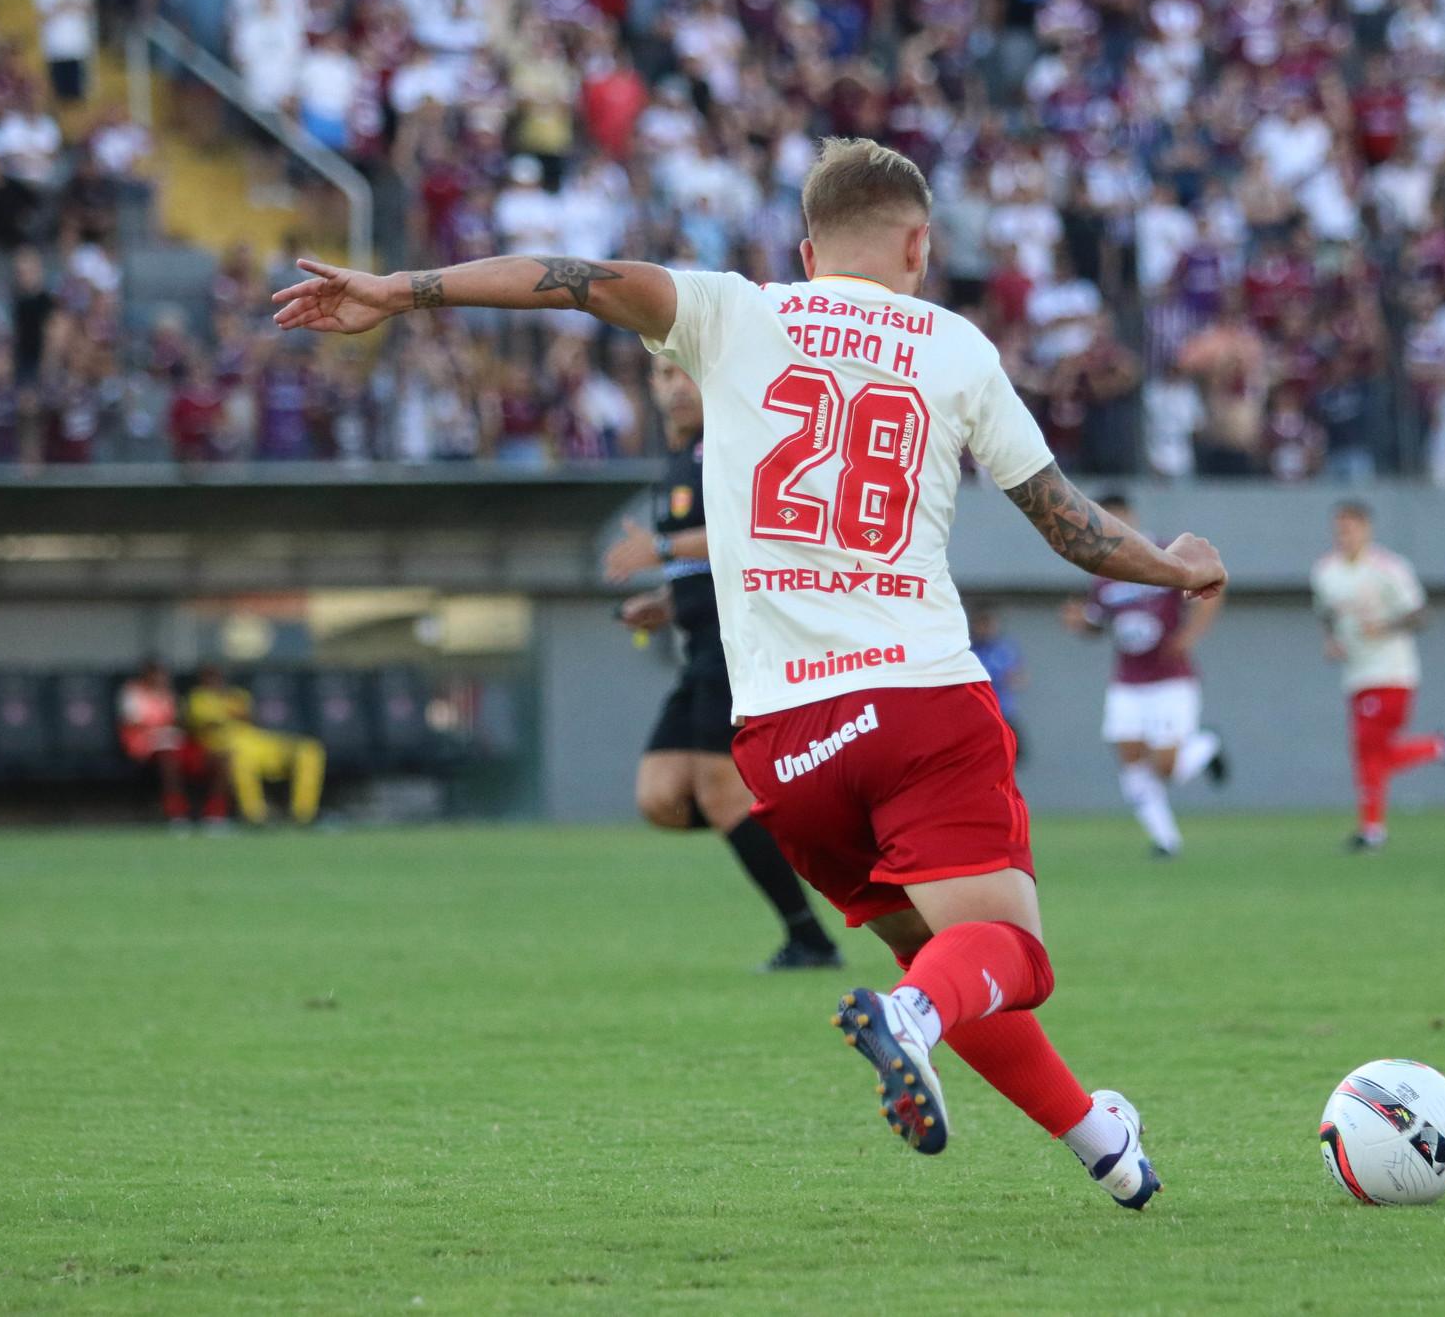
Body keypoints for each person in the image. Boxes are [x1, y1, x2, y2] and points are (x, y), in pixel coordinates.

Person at [272, 136, 1230, 1210]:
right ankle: (908, 1019)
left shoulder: (737, 312)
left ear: (806, 245)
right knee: (1003, 952)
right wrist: (1171, 564)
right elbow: (1070, 527)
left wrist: (401, 290)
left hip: (784, 742)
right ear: (918, 244)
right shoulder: (954, 348)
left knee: (952, 967)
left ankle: (1105, 1147)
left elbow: (575, 282)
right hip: (918, 704)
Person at [602, 359, 843, 972]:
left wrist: (658, 550)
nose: (676, 386)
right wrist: (667, 600)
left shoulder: (729, 448)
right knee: (661, 798)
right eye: (660, 375)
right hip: (699, 642)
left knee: (719, 793)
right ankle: (795, 826)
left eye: (686, 372)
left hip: (739, 643)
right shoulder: (678, 463)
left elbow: (752, 530)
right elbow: (710, 563)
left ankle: (809, 938)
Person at [1061, 494, 1227, 858]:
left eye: (1116, 517)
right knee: (1131, 757)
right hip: (1128, 680)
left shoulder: (1164, 552)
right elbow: (1100, 621)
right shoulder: (1103, 570)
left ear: (1131, 517)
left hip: (1170, 677)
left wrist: (1192, 634)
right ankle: (1165, 840)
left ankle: (1205, 747)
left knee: (1165, 767)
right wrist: (1082, 623)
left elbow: (1212, 588)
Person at [1309, 500, 1445, 852]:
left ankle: (1373, 829)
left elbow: (1420, 615)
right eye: (1339, 529)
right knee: (1371, 754)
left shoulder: (1389, 568)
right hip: (1355, 673)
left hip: (1391, 671)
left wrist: (1384, 626)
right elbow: (1326, 612)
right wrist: (1331, 640)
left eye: (1351, 528)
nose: (1345, 536)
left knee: (1368, 748)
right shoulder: (1325, 571)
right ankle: (1441, 747)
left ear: (1367, 529)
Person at [185, 665, 325, 826]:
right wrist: (230, 714)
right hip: (227, 745)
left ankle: (303, 814)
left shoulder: (238, 695)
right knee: (239, 759)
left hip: (257, 743)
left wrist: (230, 712)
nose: (214, 681)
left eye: (216, 676)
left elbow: (250, 717)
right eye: (209, 677)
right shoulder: (198, 698)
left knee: (309, 750)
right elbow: (206, 724)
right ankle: (255, 815)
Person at [118, 659, 230, 827]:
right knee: (168, 760)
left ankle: (215, 815)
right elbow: (133, 723)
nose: (160, 679)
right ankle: (177, 815)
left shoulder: (169, 693)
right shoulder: (132, 692)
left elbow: (179, 723)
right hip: (146, 746)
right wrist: (162, 725)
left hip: (175, 742)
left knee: (220, 759)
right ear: (147, 676)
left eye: (163, 676)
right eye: (156, 676)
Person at [966, 604, 1028, 753]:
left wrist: (1011, 679)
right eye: (982, 623)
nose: (986, 628)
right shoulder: (967, 650)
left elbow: (1020, 678)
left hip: (1003, 714)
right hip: (976, 718)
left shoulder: (1005, 648)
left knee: (1011, 755)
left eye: (990, 623)